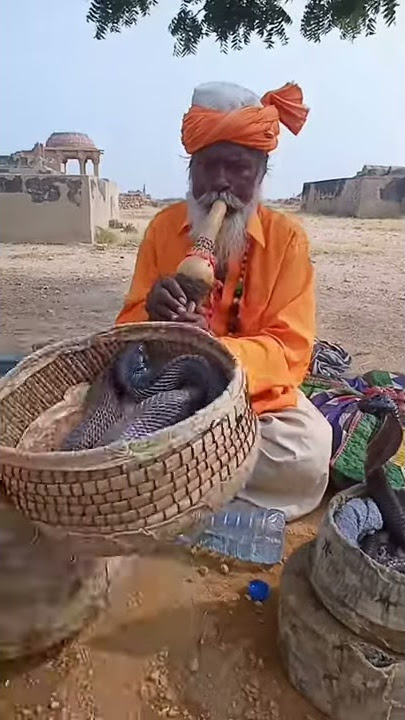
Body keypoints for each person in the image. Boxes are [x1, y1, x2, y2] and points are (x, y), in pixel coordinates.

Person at [116, 81, 332, 521]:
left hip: (249, 401)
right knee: (102, 418)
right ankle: (192, 479)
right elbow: (124, 334)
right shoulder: (162, 229)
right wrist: (152, 318)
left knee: (305, 454)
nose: (220, 184)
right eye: (208, 167)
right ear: (190, 169)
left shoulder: (286, 239)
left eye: (237, 168)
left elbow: (290, 350)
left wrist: (213, 350)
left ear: (261, 173)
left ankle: (162, 482)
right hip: (166, 389)